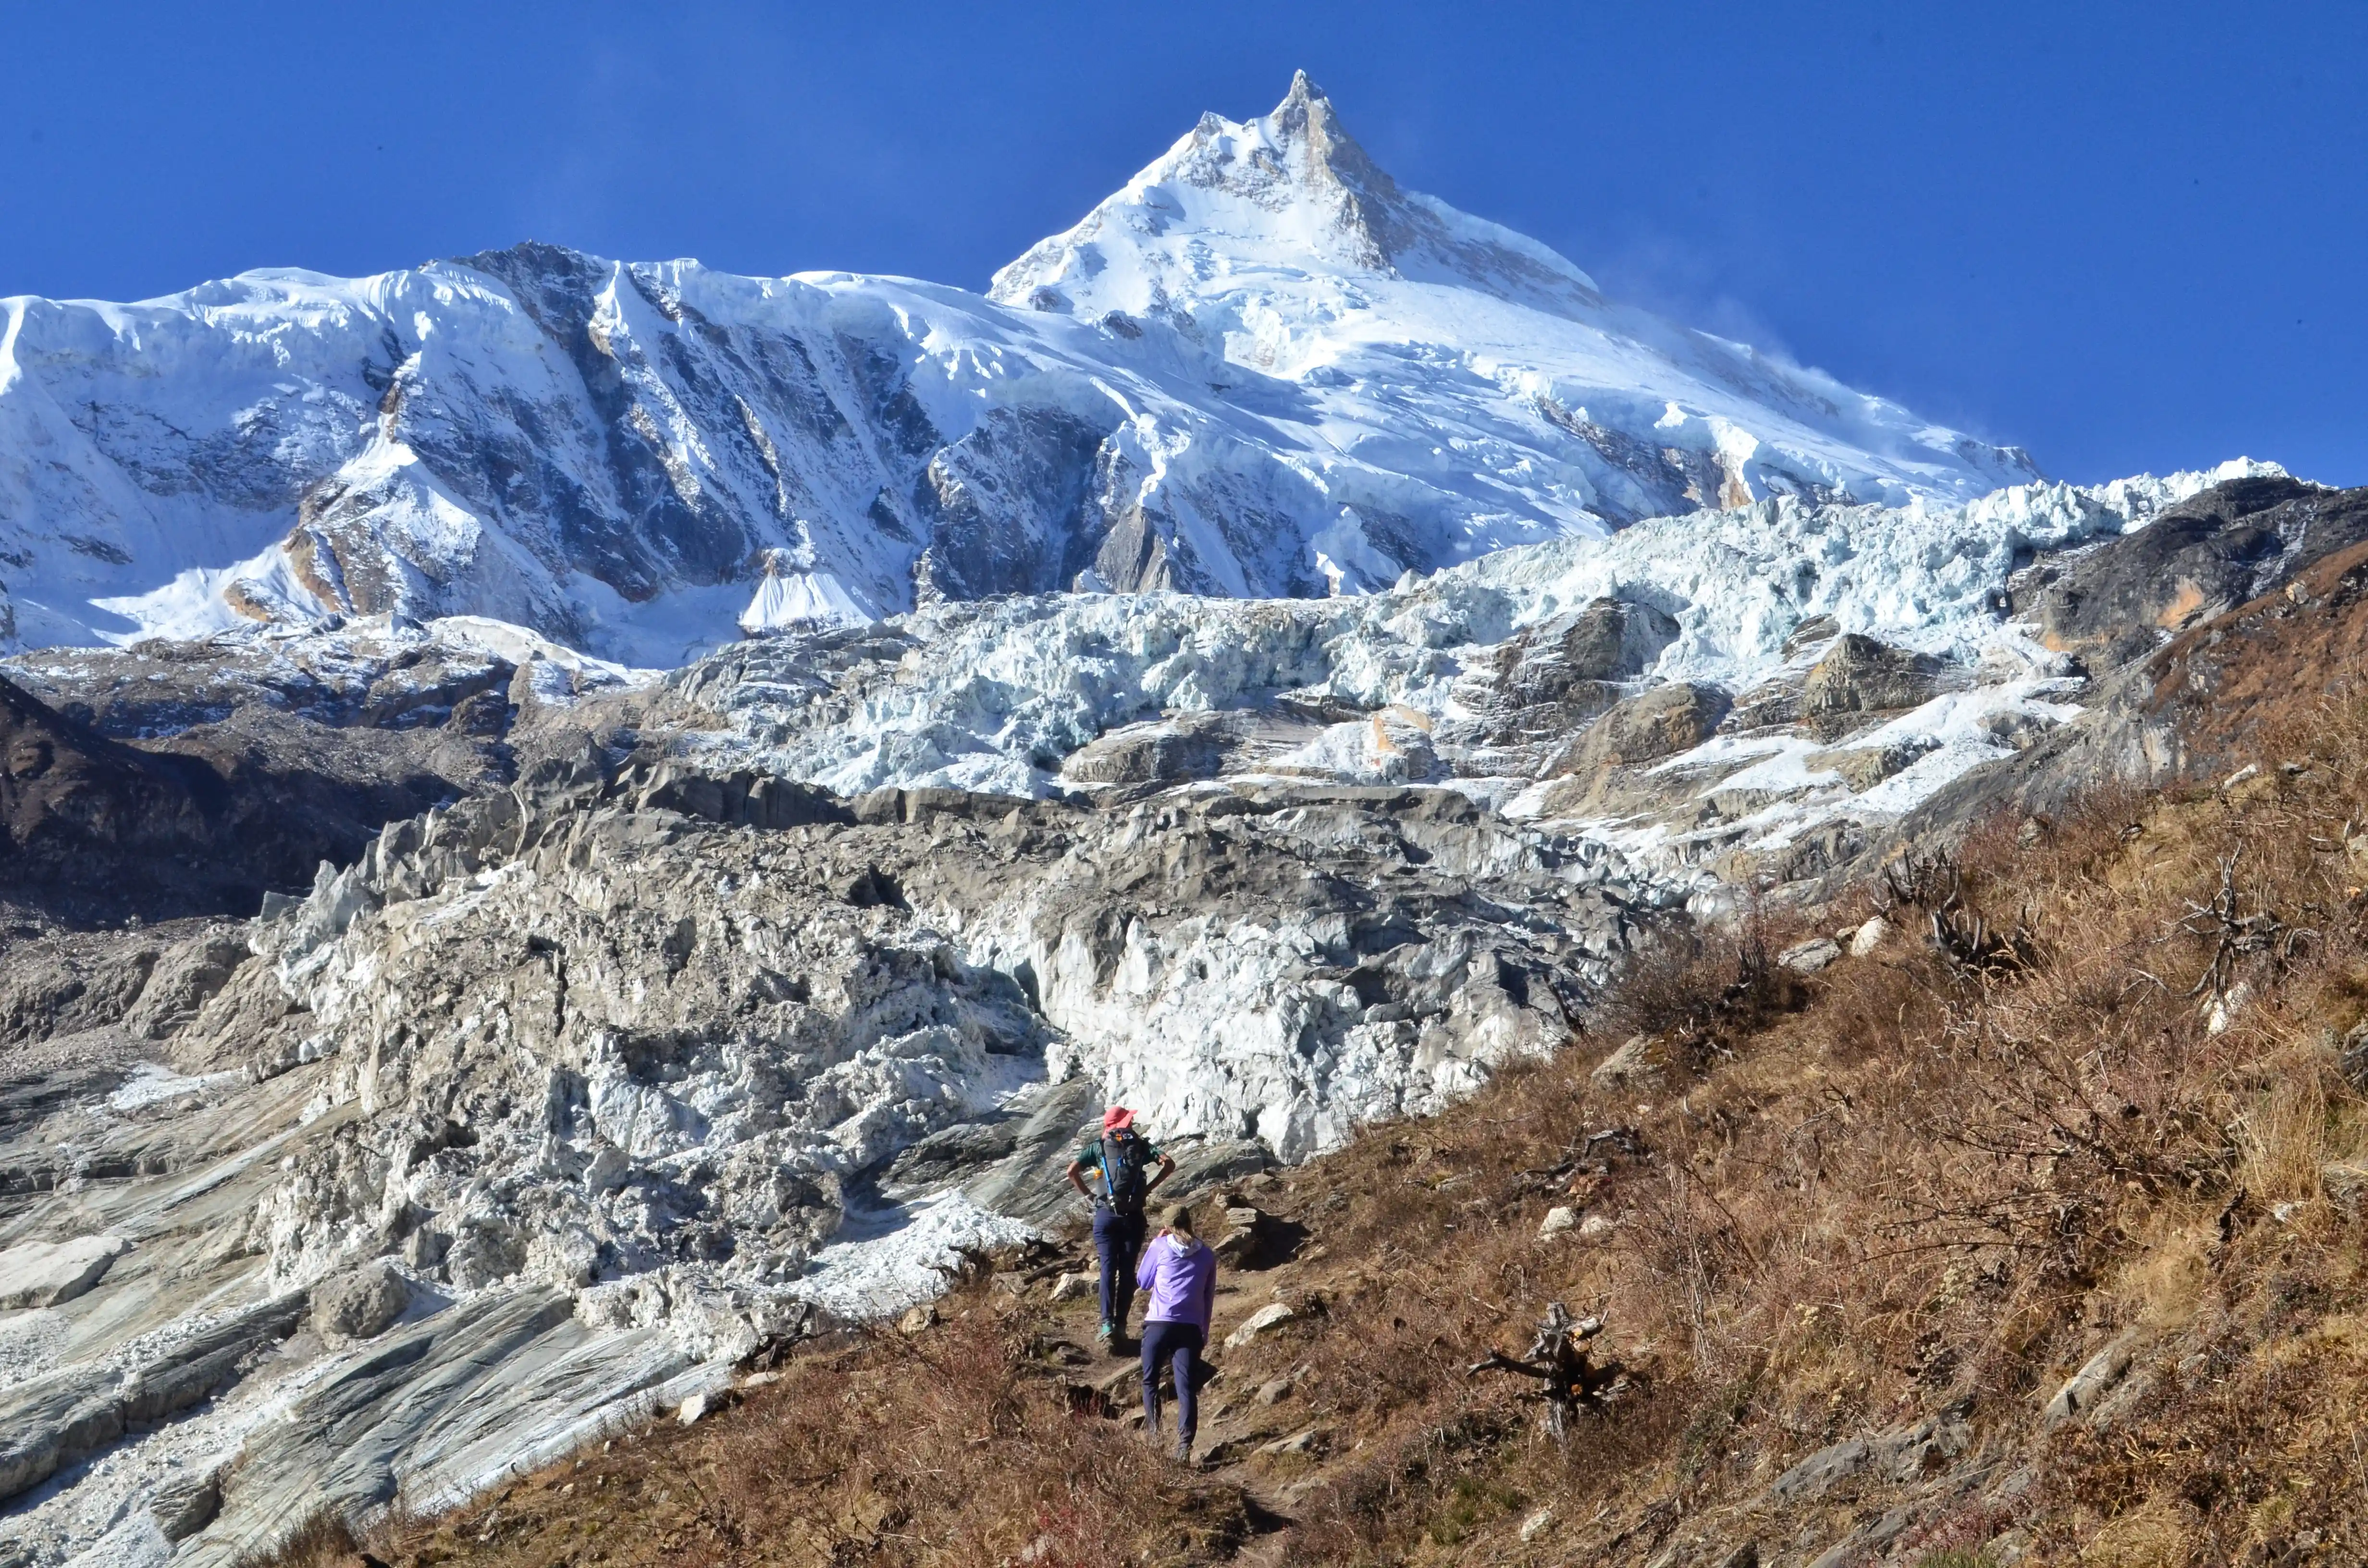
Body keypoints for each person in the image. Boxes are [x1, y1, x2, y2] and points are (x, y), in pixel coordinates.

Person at [1065, 1105, 1175, 1347]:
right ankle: (1122, 1326)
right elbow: (1169, 1164)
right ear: (1125, 1124)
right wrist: (1147, 1190)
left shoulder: (1097, 1147)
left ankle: (1106, 1324)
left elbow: (1072, 1171)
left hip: (1105, 1216)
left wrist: (1090, 1198)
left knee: (1107, 1269)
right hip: (1133, 1217)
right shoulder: (1141, 1146)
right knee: (1127, 1273)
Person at [1135, 1202, 1217, 1463]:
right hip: (1191, 1327)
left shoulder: (1161, 1246)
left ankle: (1155, 1438)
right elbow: (1208, 1297)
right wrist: (1203, 1331)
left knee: (1150, 1381)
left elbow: (1143, 1281)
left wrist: (1154, 1245)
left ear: (1168, 1226)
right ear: (1190, 1222)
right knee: (1186, 1388)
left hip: (1159, 1323)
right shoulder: (1207, 1255)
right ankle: (1184, 1446)